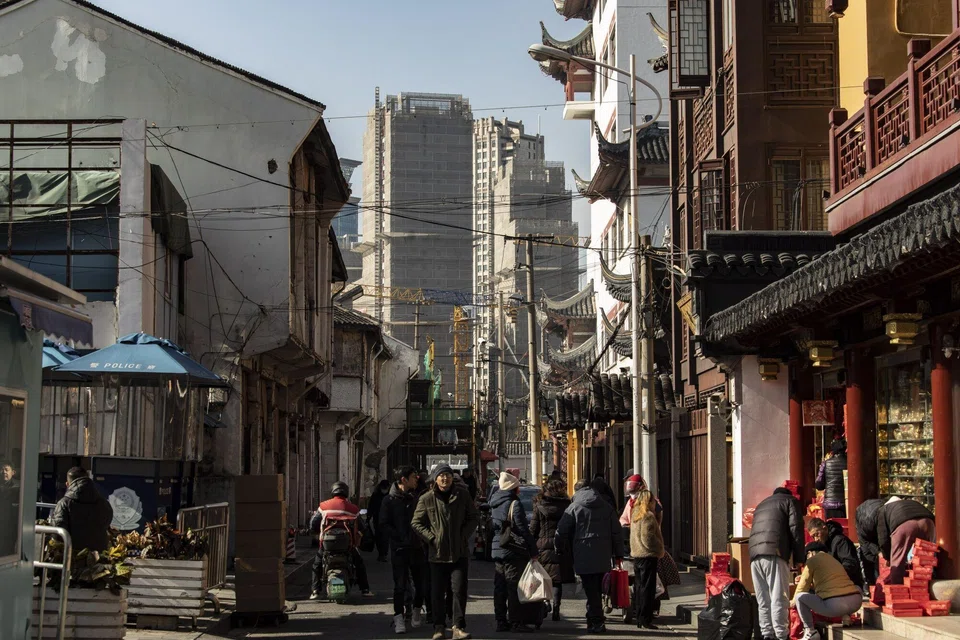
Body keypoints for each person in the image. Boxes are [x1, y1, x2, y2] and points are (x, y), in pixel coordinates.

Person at [412, 464, 479, 640]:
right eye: (441, 476)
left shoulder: (462, 495)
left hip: (459, 553)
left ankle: (458, 627)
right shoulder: (426, 498)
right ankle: (439, 628)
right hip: (437, 555)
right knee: (437, 592)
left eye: (447, 475)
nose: (444, 479)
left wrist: (463, 535)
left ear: (452, 478)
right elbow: (416, 523)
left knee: (458, 591)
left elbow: (474, 517)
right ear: (435, 479)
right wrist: (432, 539)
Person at [556, 479, 624, 634]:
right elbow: (616, 532)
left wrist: (560, 549)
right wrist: (619, 553)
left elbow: (561, 531)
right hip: (603, 553)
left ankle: (596, 620)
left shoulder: (574, 507)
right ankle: (594, 618)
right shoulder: (606, 507)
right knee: (597, 589)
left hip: (582, 553)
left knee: (590, 589)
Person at [749, 487, 805, 640]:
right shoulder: (790, 501)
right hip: (774, 552)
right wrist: (800, 558)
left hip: (754, 555)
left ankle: (767, 634)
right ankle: (781, 635)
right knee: (779, 596)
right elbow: (796, 530)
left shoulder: (762, 504)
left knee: (763, 599)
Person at [380, 466, 429, 634]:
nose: (416, 479)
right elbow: (383, 524)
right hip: (399, 548)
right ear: (403, 480)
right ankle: (398, 617)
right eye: (413, 477)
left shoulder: (418, 497)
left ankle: (416, 610)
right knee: (399, 586)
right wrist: (399, 537)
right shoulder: (389, 500)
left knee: (421, 583)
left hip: (417, 547)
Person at [490, 472, 537, 633]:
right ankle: (516, 621)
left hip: (498, 548)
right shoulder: (514, 504)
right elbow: (523, 529)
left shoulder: (495, 503)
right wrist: (532, 550)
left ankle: (500, 620)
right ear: (514, 488)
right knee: (513, 585)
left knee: (500, 586)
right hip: (512, 549)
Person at [311, 482, 373, 599]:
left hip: (327, 546)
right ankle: (365, 589)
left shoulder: (323, 506)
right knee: (359, 563)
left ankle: (315, 590)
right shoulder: (353, 508)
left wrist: (316, 533)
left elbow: (313, 524)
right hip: (348, 546)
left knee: (316, 565)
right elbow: (362, 527)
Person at [791, 542, 863, 640]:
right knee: (851, 588)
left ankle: (810, 632)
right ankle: (846, 617)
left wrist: (791, 602)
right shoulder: (834, 560)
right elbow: (830, 584)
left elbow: (802, 588)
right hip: (856, 602)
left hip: (835, 606)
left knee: (800, 597)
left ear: (810, 553)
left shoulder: (812, 560)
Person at [530, 478, 574, 622]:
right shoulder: (568, 505)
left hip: (542, 545)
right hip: (561, 546)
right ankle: (556, 607)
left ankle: (545, 602)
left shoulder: (539, 505)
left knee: (543, 577)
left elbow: (534, 528)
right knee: (557, 580)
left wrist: (530, 545)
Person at [49, 466, 112, 552]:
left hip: (73, 558)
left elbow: (58, 534)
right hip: (99, 556)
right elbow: (106, 523)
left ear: (67, 484)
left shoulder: (64, 503)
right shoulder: (104, 503)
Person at [877, 496, 936, 584]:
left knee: (897, 561)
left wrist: (888, 557)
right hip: (928, 523)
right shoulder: (912, 503)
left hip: (905, 525)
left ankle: (897, 590)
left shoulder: (884, 510)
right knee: (927, 560)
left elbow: (883, 538)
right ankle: (928, 586)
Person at [630, 490, 665, 630]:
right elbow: (648, 537)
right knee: (648, 589)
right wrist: (659, 549)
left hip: (637, 555)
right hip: (648, 555)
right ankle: (646, 619)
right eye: (653, 501)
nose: (655, 504)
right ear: (648, 501)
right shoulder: (648, 516)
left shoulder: (635, 515)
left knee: (639, 587)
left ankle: (639, 617)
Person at [807, 518, 863, 590]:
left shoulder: (841, 541)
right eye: (813, 537)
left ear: (825, 528)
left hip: (849, 585)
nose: (816, 539)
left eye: (817, 534)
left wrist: (831, 575)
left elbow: (850, 564)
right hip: (832, 584)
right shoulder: (822, 545)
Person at [855, 497, 886, 586]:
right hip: (864, 520)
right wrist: (879, 552)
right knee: (868, 556)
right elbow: (866, 541)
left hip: (873, 514)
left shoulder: (886, 517)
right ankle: (871, 584)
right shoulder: (867, 523)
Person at [815, 440, 848, 518]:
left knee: (832, 527)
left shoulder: (826, 463)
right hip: (845, 502)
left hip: (830, 503)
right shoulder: (849, 462)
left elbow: (819, 484)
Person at [0, 461, 20, 556]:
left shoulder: (18, 487)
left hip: (11, 527)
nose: (4, 472)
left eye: (6, 470)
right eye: (2, 470)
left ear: (13, 472)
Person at [369, 479, 391, 562]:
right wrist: (368, 516)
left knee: (385, 537)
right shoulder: (376, 495)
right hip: (377, 518)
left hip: (387, 519)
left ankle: (384, 554)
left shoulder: (390, 495)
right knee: (378, 537)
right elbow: (371, 506)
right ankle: (381, 553)